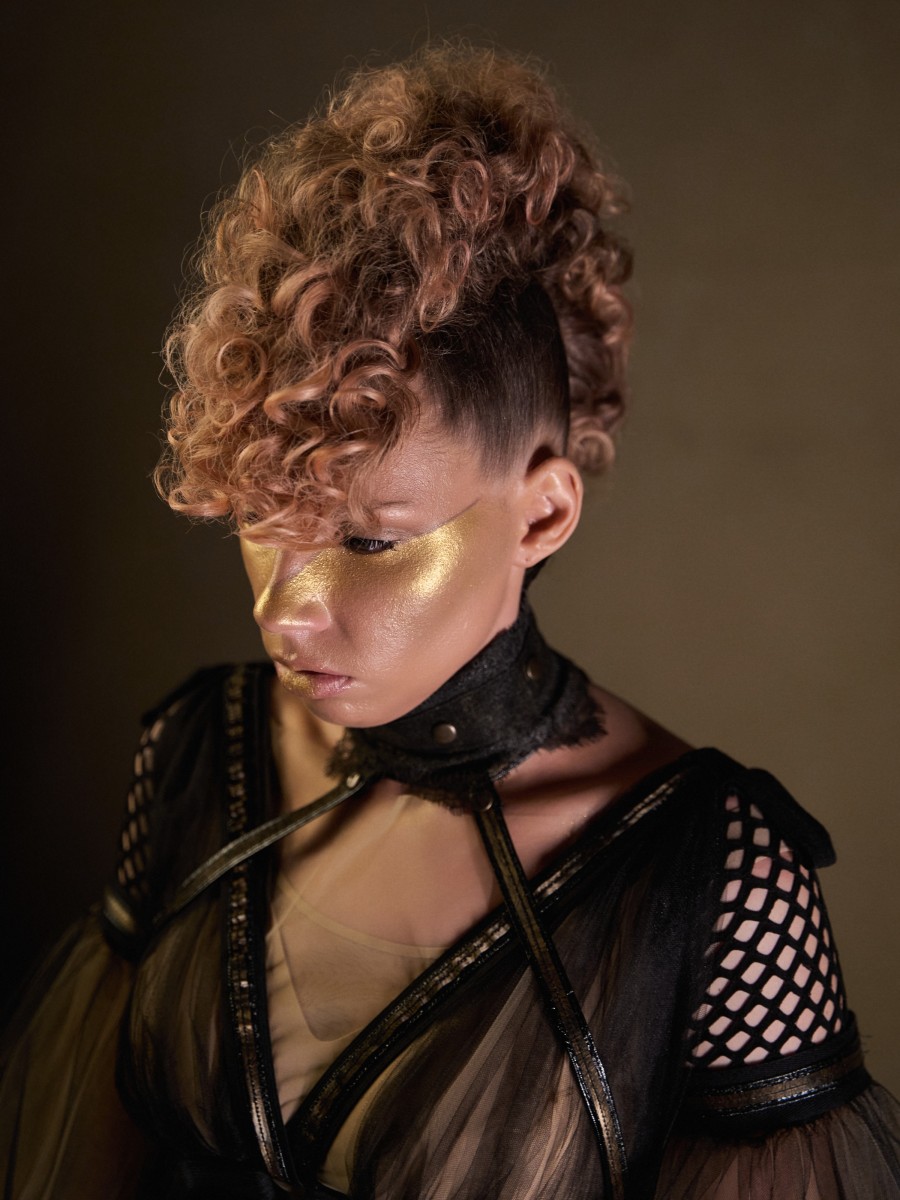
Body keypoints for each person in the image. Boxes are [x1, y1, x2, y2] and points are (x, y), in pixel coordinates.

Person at [1, 44, 898, 1200]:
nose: (285, 614)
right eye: (265, 521)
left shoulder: (716, 882)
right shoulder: (195, 757)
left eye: (371, 542)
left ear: (543, 514)